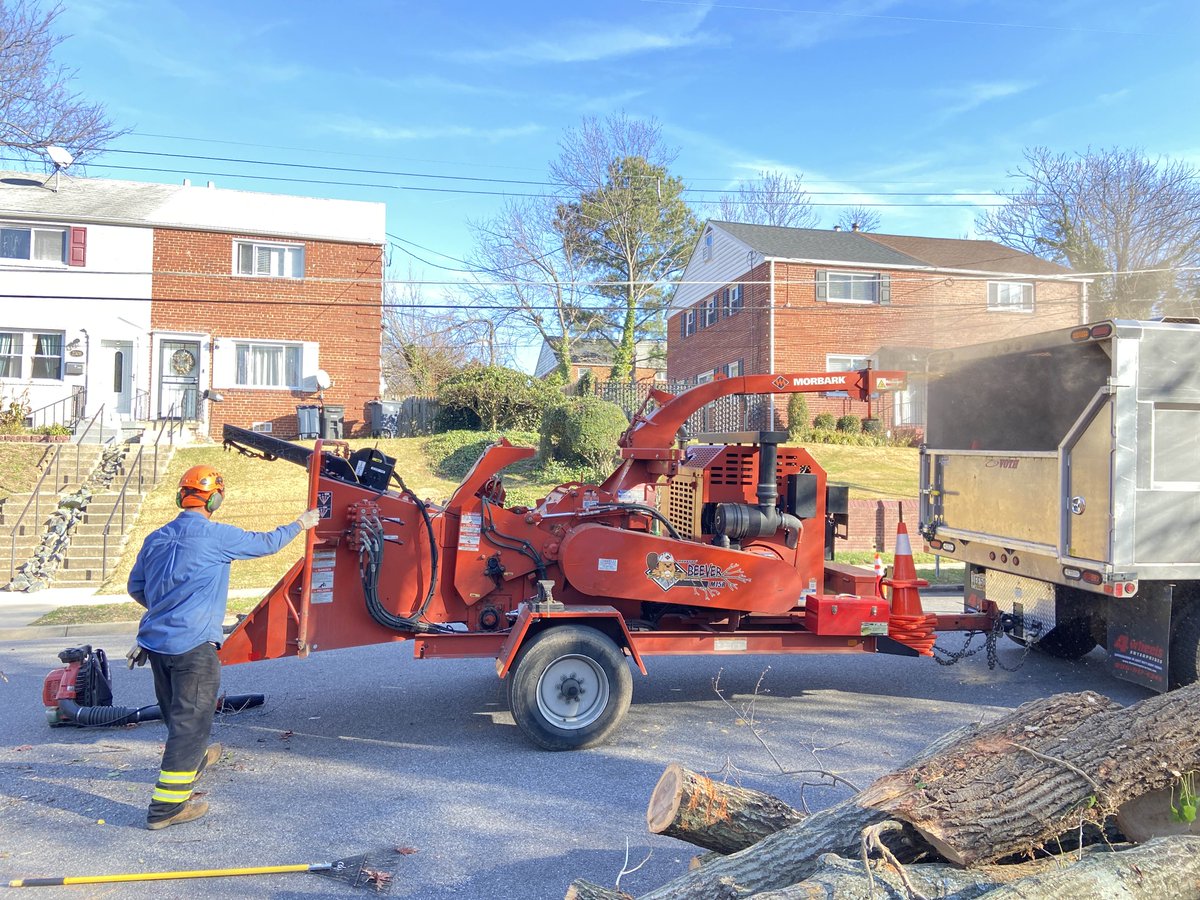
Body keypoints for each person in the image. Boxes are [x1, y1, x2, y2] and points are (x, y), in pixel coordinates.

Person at [128, 463, 319, 830]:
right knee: (191, 723)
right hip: (192, 646)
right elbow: (267, 543)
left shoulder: (156, 538)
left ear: (181, 496)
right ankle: (165, 809)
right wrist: (302, 522)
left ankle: (193, 761)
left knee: (174, 711)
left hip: (156, 643)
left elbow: (136, 588)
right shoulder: (216, 536)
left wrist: (166, 608)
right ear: (215, 498)